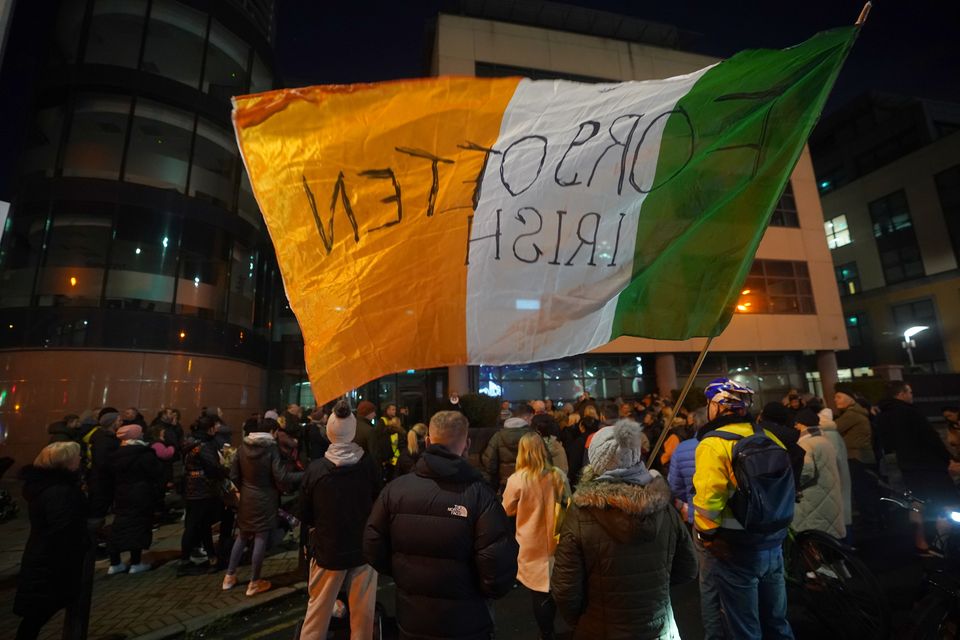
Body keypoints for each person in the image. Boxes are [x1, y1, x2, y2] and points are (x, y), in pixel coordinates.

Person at [364, 411, 517, 639]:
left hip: (412, 618)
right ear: (466, 444)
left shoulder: (395, 491)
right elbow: (497, 568)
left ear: (428, 441)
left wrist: (404, 572)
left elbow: (372, 545)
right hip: (467, 621)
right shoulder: (480, 496)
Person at [553, 420, 697, 639]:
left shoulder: (581, 513)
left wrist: (582, 620)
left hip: (600, 628)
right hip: (659, 628)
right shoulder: (663, 508)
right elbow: (687, 568)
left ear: (597, 460)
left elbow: (565, 589)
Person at [693, 378, 795, 640]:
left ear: (716, 406)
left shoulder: (713, 444)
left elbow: (708, 500)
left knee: (745, 627)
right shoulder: (766, 435)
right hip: (773, 541)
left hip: (735, 548)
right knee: (777, 620)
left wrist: (707, 536)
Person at [300, 401, 381, 639]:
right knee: (363, 616)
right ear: (353, 430)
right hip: (362, 549)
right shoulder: (368, 465)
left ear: (329, 431)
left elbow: (305, 515)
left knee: (318, 614)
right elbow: (378, 500)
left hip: (328, 550)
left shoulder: (315, 470)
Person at [14, 442, 90, 640]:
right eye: (77, 456)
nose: (81, 458)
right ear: (65, 462)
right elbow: (63, 527)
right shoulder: (59, 491)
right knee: (38, 613)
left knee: (38, 613)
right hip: (51, 562)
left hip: (45, 557)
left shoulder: (48, 486)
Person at [223, 418, 304, 596]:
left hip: (246, 496)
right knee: (260, 537)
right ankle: (254, 582)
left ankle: (229, 577)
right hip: (266, 498)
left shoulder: (242, 447)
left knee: (242, 535)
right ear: (273, 432)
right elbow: (281, 476)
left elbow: (234, 474)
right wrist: (305, 475)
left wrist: (245, 487)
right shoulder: (271, 449)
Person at [502, 432, 570, 640]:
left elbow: (506, 509)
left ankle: (546, 634)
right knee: (561, 588)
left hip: (530, 543)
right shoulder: (558, 475)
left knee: (538, 593)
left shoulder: (517, 479)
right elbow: (568, 504)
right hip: (558, 539)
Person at [876, 382, 959, 554]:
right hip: (929, 466)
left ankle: (920, 543)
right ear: (901, 394)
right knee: (947, 504)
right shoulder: (910, 412)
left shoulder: (883, 415)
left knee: (916, 504)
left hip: (906, 466)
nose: (911, 396)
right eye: (910, 392)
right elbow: (931, 438)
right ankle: (940, 543)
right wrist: (948, 459)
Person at [107, 424, 164, 574]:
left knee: (119, 525)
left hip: (121, 494)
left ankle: (115, 562)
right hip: (142, 494)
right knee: (139, 526)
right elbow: (156, 472)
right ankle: (136, 562)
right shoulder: (143, 453)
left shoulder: (116, 455)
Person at [179, 414, 225, 576]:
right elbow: (213, 467)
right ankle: (185, 561)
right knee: (196, 525)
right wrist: (224, 471)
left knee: (198, 524)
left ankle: (211, 556)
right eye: (216, 426)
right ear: (210, 428)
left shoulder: (190, 441)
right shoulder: (205, 445)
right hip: (203, 489)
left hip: (191, 488)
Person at [792, 409, 845, 539]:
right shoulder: (825, 440)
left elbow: (805, 471)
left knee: (815, 541)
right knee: (830, 543)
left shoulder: (805, 444)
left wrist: (792, 485)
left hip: (812, 500)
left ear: (800, 424)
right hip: (829, 498)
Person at [834, 389, 880, 527]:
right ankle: (873, 518)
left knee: (862, 490)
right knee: (864, 489)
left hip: (856, 457)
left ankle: (871, 520)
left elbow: (834, 427)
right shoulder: (856, 413)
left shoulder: (851, 414)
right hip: (861, 457)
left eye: (839, 397)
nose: (836, 400)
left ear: (851, 399)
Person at [482, 403, 534, 492]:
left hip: (506, 484)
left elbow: (489, 461)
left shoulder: (498, 436)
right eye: (531, 419)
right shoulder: (532, 436)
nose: (531, 422)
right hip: (529, 483)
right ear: (526, 417)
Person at [376, 403, 407, 482]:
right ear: (387, 410)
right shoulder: (383, 421)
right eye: (393, 409)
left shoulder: (391, 423)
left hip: (391, 459)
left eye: (395, 410)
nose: (394, 412)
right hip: (392, 458)